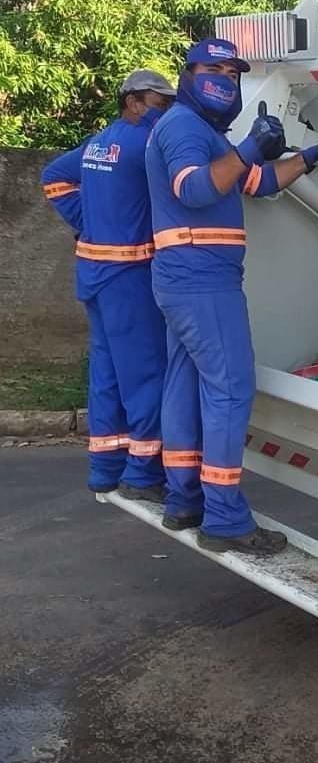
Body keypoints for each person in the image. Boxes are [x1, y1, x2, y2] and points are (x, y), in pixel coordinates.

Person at [146, 36, 318, 556]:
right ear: (188, 73)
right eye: (215, 69)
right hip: (202, 283)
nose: (227, 80)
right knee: (230, 391)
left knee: (185, 386)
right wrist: (246, 148)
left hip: (188, 281)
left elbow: (255, 182)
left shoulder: (202, 132)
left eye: (234, 73)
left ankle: (185, 500)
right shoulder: (185, 128)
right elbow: (194, 189)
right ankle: (226, 519)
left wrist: (305, 158)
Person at [41, 70, 176, 501]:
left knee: (106, 375)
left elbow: (53, 178)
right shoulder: (144, 146)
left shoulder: (100, 143)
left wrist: (87, 222)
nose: (164, 112)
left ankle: (105, 468)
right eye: (159, 103)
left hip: (95, 275)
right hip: (128, 277)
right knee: (144, 374)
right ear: (133, 101)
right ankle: (141, 474)